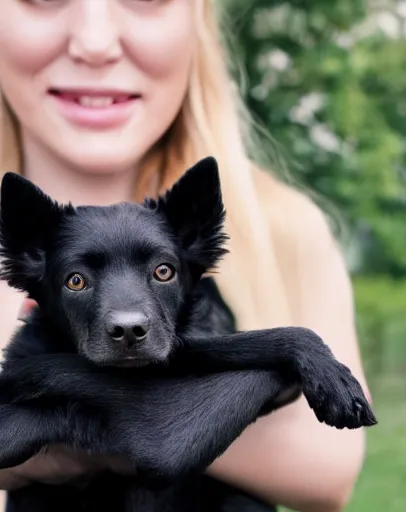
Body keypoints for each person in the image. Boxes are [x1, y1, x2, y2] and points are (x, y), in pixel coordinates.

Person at [0, 1, 372, 511]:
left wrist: (60, 412)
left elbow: (327, 468)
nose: (95, 41)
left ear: (198, 17)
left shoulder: (287, 229)